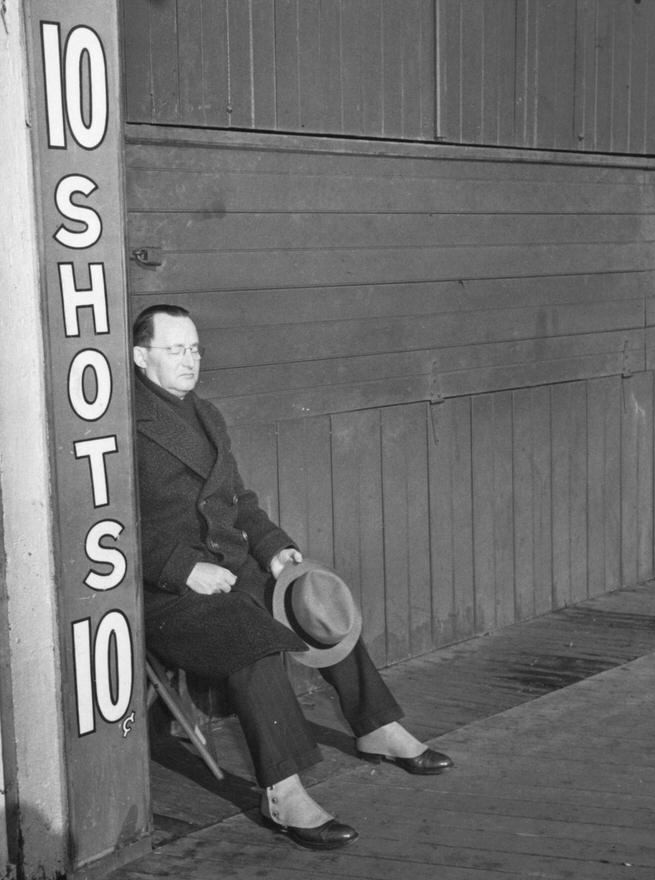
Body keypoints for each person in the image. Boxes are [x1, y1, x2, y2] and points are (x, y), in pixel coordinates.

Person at [130, 304, 452, 851]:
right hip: (170, 591)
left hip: (233, 569)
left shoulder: (206, 414)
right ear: (140, 357)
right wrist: (183, 567)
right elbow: (109, 523)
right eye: (175, 350)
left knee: (317, 601)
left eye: (195, 349)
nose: (190, 361)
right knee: (250, 642)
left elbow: (240, 502)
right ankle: (283, 794)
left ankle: (376, 725)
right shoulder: (118, 424)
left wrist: (277, 551)